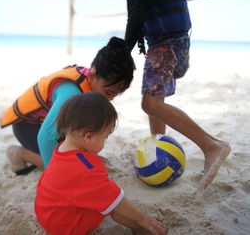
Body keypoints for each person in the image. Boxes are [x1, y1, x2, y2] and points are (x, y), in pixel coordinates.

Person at [123, 0, 231, 191]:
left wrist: (123, 52)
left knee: (151, 104)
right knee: (155, 101)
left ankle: (212, 146)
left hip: (166, 42)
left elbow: (135, 13)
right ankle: (156, 144)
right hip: (179, 39)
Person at [35, 92, 168, 235]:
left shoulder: (61, 149)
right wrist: (142, 219)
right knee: (112, 205)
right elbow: (115, 200)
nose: (105, 141)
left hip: (46, 213)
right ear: (88, 137)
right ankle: (139, 228)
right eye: (105, 137)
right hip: (66, 227)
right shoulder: (86, 168)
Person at [1, 37, 134, 174]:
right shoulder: (71, 92)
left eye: (116, 94)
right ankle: (20, 154)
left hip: (48, 125)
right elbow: (46, 137)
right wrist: (55, 175)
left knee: (77, 150)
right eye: (109, 92)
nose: (110, 99)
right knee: (70, 167)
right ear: (92, 75)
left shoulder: (90, 79)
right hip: (28, 127)